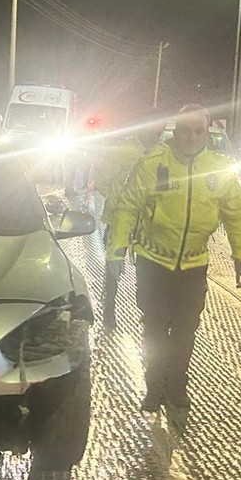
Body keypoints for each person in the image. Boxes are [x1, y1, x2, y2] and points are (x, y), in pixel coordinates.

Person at [105, 104, 241, 413]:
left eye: (199, 131)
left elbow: (237, 216)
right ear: (175, 131)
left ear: (207, 132)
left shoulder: (218, 169)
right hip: (153, 261)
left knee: (186, 329)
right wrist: (117, 249)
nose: (191, 137)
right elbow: (128, 207)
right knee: (155, 327)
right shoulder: (153, 163)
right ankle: (153, 385)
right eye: (185, 130)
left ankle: (176, 385)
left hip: (193, 264)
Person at [93, 116, 165, 330]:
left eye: (158, 134)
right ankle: (109, 310)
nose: (154, 137)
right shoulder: (121, 150)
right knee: (114, 266)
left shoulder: (164, 154)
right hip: (119, 220)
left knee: (148, 270)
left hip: (149, 223)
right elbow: (102, 180)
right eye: (151, 132)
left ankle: (149, 312)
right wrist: (118, 200)